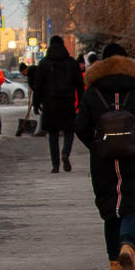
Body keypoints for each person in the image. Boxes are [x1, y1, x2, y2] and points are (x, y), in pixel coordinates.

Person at [74, 42, 135, 270]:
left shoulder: (92, 92)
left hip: (103, 160)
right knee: (131, 205)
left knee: (110, 208)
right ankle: (127, 247)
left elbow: (80, 126)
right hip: (133, 159)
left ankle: (114, 264)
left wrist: (96, 147)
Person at [31, 36, 85, 173]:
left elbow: (38, 86)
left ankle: (55, 165)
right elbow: (79, 84)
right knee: (69, 130)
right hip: (67, 102)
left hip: (49, 104)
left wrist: (36, 104)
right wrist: (82, 103)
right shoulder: (71, 63)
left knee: (52, 133)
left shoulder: (44, 64)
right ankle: (65, 152)